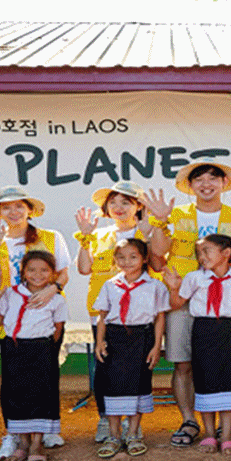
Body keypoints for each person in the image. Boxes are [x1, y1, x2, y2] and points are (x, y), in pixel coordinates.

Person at [145, 158, 231, 449]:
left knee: (225, 364)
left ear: (224, 183)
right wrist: (160, 221)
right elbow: (158, 252)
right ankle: (190, 420)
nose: (207, 184)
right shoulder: (176, 214)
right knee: (183, 363)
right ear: (190, 186)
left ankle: (228, 424)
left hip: (225, 302)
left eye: (214, 178)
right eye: (199, 179)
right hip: (184, 299)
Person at [0, 186, 71, 453]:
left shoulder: (50, 237)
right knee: (12, 380)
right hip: (13, 321)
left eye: (19, 206)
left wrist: (51, 290)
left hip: (46, 317)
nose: (13, 211)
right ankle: (12, 432)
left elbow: (63, 273)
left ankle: (49, 428)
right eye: (6, 207)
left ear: (29, 210)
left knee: (47, 375)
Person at [163, 234, 231, 455]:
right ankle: (210, 435)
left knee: (230, 381)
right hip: (203, 329)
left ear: (226, 253)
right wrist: (174, 288)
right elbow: (176, 303)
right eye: (199, 253)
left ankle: (228, 436)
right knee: (204, 380)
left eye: (207, 251)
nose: (202, 257)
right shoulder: (194, 278)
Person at [74, 181, 153, 444]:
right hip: (106, 315)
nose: (119, 208)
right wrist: (84, 237)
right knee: (104, 368)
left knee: (138, 370)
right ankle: (106, 420)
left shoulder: (147, 232)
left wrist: (151, 232)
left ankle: (133, 424)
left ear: (139, 206)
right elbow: (84, 269)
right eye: (113, 203)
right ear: (106, 207)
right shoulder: (98, 235)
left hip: (140, 316)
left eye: (126, 202)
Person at [0, 250, 68, 461]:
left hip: (41, 349)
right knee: (16, 393)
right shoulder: (10, 294)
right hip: (15, 348)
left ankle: (37, 444)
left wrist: (44, 349)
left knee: (42, 393)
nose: (37, 275)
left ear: (52, 274)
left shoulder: (56, 300)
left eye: (44, 270)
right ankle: (23, 443)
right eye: (31, 270)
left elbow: (58, 329)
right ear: (22, 272)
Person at [91, 239, 169, 458]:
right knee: (112, 386)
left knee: (139, 384)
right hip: (115, 338)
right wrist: (99, 342)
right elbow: (103, 317)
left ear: (144, 259)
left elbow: (160, 318)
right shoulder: (110, 285)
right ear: (115, 260)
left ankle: (133, 433)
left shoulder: (155, 286)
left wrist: (156, 346)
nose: (127, 262)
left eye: (133, 257)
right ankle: (114, 435)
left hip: (141, 337)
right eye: (121, 257)